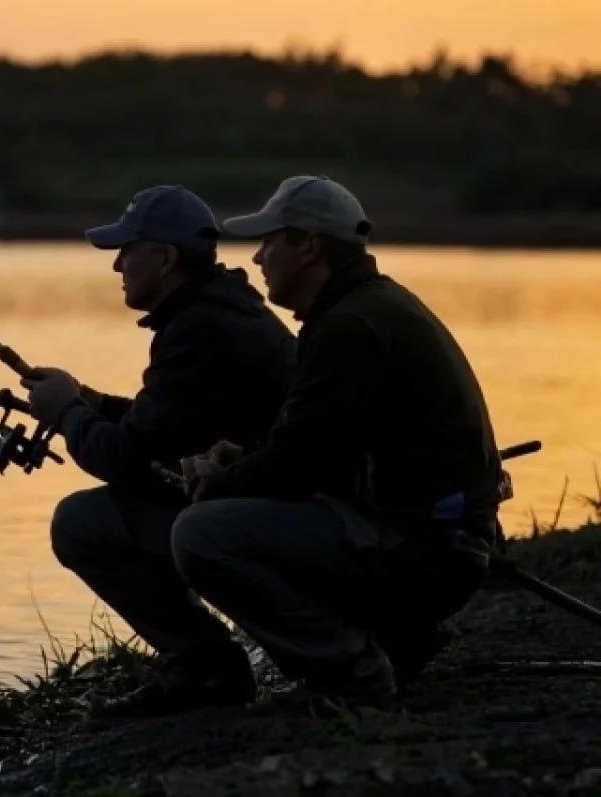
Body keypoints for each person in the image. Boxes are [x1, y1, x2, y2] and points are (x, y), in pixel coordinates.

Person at [170, 175, 502, 708]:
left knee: (200, 534)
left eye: (269, 241)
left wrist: (219, 481)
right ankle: (395, 640)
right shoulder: (368, 306)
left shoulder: (349, 327)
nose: (257, 258)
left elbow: (297, 465)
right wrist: (246, 459)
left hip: (428, 554)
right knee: (243, 511)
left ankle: (352, 672)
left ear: (307, 245)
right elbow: (317, 445)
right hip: (444, 543)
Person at [19, 184, 296, 717]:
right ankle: (213, 662)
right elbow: (167, 428)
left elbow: (125, 457)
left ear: (165, 258)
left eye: (127, 251)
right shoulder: (215, 311)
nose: (117, 265)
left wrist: (68, 414)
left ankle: (209, 667)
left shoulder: (201, 329)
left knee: (81, 522)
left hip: (269, 519)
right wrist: (89, 402)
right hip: (271, 505)